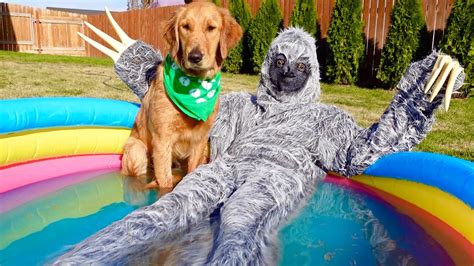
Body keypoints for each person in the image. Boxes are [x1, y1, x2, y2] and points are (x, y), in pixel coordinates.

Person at [57, 17, 464, 264]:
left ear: (313, 71)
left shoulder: (326, 119)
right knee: (163, 212)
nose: (288, 72)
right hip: (224, 170)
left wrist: (418, 98)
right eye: (280, 63)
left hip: (275, 178)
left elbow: (363, 153)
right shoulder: (238, 106)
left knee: (239, 228)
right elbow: (187, 110)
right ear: (268, 66)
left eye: (300, 65)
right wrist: (147, 67)